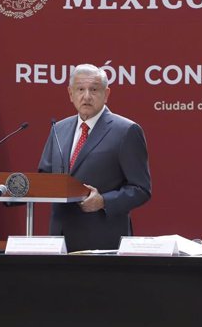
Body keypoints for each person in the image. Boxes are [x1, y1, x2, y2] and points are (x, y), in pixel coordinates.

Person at [38, 64, 151, 252]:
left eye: (94, 90)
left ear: (106, 94)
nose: (87, 96)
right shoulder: (59, 129)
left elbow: (141, 189)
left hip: (103, 242)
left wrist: (104, 201)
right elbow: (44, 177)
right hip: (60, 241)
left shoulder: (126, 131)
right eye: (80, 89)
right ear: (70, 94)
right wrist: (14, 191)